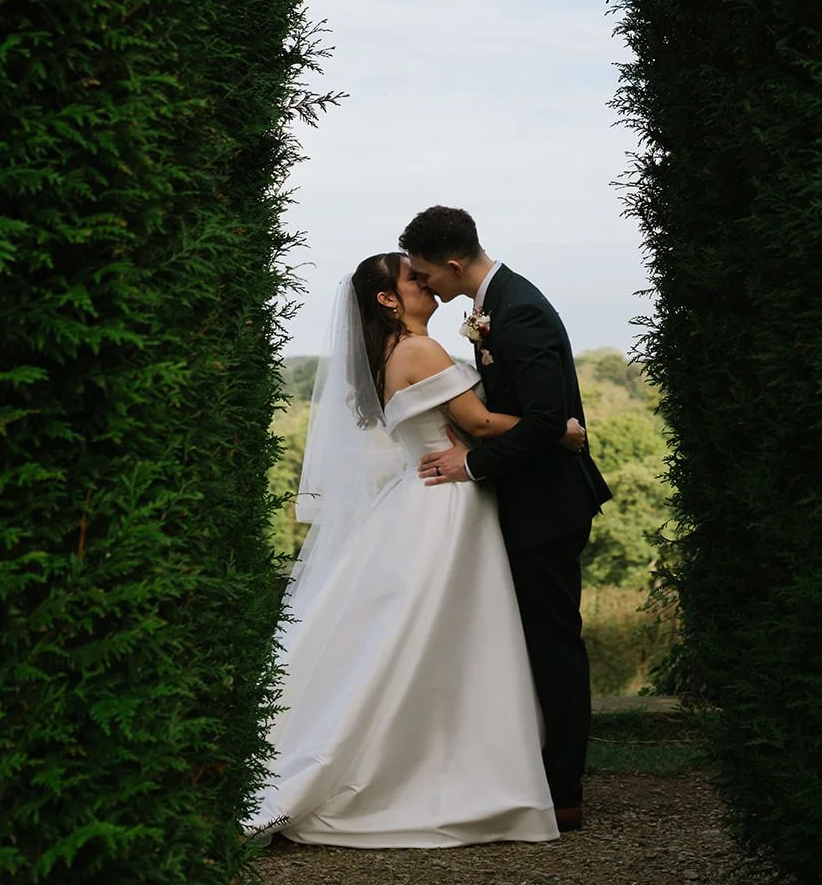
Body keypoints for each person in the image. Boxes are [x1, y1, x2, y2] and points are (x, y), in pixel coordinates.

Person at [245, 251, 587, 848]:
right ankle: (445, 767)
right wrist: (558, 428)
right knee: (444, 633)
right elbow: (477, 424)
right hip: (447, 501)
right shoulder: (420, 350)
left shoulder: (390, 355)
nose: (425, 282)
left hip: (424, 492)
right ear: (387, 300)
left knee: (426, 638)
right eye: (413, 277)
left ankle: (438, 758)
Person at [400, 207, 612, 832]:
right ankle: (534, 772)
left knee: (553, 649)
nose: (426, 284)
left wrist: (473, 465)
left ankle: (565, 790)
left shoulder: (517, 310)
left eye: (426, 273)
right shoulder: (499, 303)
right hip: (528, 500)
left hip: (547, 507)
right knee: (530, 645)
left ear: (454, 265)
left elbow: (548, 421)